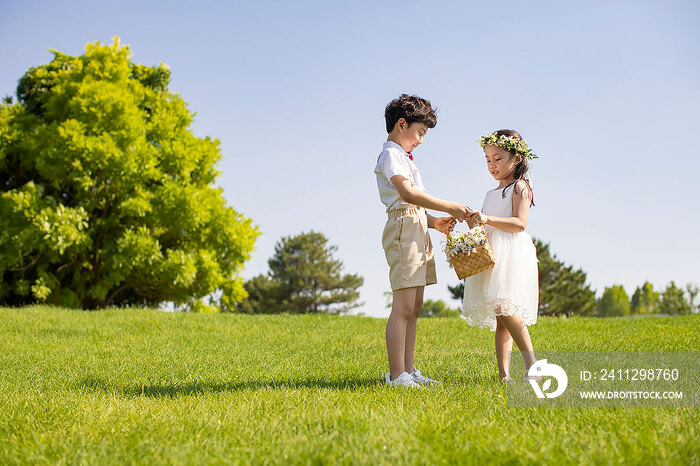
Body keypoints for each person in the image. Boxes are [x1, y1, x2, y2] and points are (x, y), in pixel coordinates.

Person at [374, 94, 470, 388]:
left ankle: (409, 370)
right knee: (403, 306)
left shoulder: (403, 158)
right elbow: (408, 196)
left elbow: (415, 206)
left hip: (415, 226)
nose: (421, 140)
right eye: (420, 132)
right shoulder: (391, 154)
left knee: (415, 306)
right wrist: (448, 207)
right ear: (401, 124)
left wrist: (435, 222)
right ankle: (395, 376)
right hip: (404, 230)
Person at [462, 129, 539, 384]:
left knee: (507, 308)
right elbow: (484, 225)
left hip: (511, 253)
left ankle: (532, 366)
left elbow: (519, 223)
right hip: (492, 253)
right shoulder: (490, 194)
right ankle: (504, 375)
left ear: (516, 158)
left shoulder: (520, 188)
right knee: (500, 316)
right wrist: (473, 224)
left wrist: (488, 219)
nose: (492, 165)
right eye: (487, 160)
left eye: (497, 158)